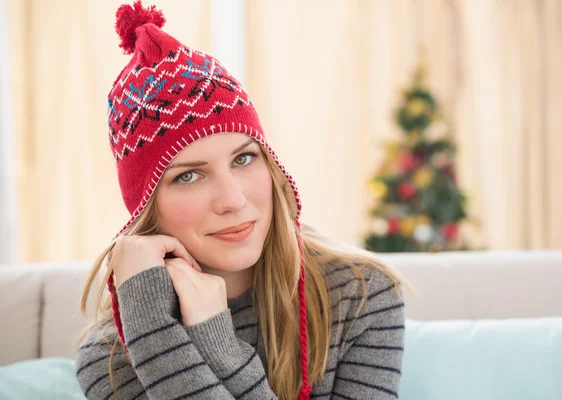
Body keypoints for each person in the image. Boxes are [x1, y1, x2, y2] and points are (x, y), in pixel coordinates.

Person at [76, 2, 409, 399]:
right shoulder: (111, 358)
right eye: (188, 175)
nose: (233, 200)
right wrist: (152, 328)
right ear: (146, 205)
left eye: (244, 158)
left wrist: (219, 345)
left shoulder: (359, 294)